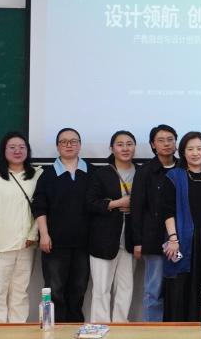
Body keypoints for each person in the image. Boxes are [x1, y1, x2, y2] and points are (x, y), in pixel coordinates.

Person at [0, 132, 41, 322]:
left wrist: (33, 234)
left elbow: (42, 208)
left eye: (22, 147)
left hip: (26, 244)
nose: (17, 151)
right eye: (12, 147)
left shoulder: (37, 175)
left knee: (20, 292)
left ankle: (17, 331)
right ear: (3, 151)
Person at [32, 127, 92, 322]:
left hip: (84, 243)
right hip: (55, 243)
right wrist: (44, 234)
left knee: (79, 290)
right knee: (55, 290)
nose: (69, 145)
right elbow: (39, 206)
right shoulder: (47, 174)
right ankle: (55, 330)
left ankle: (75, 329)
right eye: (63, 142)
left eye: (73, 141)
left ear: (80, 145)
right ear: (57, 146)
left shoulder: (92, 171)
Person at [161, 131, 201, 322]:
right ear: (183, 152)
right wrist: (173, 239)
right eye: (190, 149)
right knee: (179, 288)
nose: (195, 153)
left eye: (199, 148)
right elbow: (167, 210)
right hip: (181, 241)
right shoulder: (174, 176)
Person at [86, 131, 137, 323]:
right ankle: (100, 326)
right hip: (103, 239)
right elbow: (90, 203)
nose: (125, 148)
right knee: (101, 289)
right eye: (120, 144)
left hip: (130, 239)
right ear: (111, 148)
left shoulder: (141, 172)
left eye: (129, 144)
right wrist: (116, 203)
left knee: (126, 287)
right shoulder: (102, 173)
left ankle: (121, 325)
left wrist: (134, 205)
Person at [130, 124, 178, 321]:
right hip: (154, 238)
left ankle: (176, 329)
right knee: (154, 289)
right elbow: (137, 208)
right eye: (161, 140)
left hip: (181, 238)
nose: (166, 144)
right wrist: (137, 241)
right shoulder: (145, 171)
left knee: (177, 288)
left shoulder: (184, 168)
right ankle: (153, 330)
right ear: (152, 145)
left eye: (170, 139)